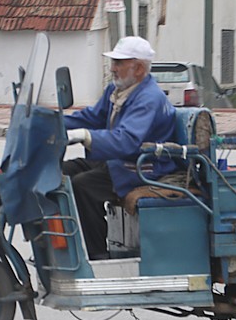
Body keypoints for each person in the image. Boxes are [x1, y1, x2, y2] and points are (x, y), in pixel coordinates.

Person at [63, 36, 177, 260]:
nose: (113, 68)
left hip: (142, 167)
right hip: (118, 161)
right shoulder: (116, 91)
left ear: (139, 68)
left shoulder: (149, 98)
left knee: (83, 186)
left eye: (119, 62)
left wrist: (85, 136)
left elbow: (127, 140)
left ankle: (96, 256)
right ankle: (65, 245)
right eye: (114, 62)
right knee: (61, 171)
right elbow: (93, 117)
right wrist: (52, 123)